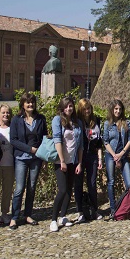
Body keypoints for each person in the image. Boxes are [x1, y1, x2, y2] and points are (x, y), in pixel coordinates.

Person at [9, 92, 48, 230]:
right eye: (27, 102)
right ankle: (14, 216)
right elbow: (13, 140)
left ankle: (28, 214)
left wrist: (43, 157)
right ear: (23, 104)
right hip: (21, 158)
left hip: (36, 159)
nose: (30, 104)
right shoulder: (16, 120)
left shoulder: (41, 119)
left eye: (32, 102)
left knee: (32, 187)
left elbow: (44, 139)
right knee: (20, 188)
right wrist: (30, 149)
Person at [50, 97, 83, 232]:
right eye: (66, 106)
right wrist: (62, 160)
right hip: (61, 161)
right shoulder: (57, 120)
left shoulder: (77, 122)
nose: (69, 108)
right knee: (62, 190)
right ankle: (53, 219)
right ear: (62, 108)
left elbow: (80, 145)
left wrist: (79, 163)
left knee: (69, 189)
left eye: (71, 106)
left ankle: (63, 216)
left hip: (73, 161)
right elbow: (57, 140)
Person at [103, 99, 130, 218]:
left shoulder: (127, 123)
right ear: (112, 110)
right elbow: (105, 141)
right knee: (111, 181)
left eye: (120, 109)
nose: (118, 111)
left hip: (123, 155)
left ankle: (127, 207)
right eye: (116, 109)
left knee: (129, 183)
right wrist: (114, 155)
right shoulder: (107, 124)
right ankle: (113, 209)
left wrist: (121, 153)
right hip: (111, 155)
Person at [75, 98, 103, 222]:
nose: (87, 111)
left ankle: (94, 210)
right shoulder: (77, 122)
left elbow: (99, 144)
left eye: (89, 108)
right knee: (78, 184)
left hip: (92, 156)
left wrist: (100, 159)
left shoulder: (96, 121)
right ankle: (80, 211)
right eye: (84, 109)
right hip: (79, 157)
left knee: (92, 184)